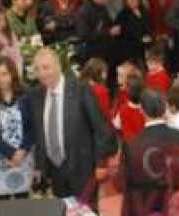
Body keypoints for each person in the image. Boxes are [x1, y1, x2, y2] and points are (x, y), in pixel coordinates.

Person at [30, 48, 117, 203]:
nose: (42, 73)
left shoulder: (81, 90)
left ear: (58, 66)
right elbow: (39, 135)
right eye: (37, 69)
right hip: (56, 173)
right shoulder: (37, 95)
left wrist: (101, 164)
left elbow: (101, 129)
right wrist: (39, 166)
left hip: (83, 170)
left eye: (46, 67)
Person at [118, 88, 179, 216]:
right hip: (174, 215)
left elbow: (122, 183)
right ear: (164, 108)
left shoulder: (131, 145)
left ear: (142, 111)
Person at [0, 57, 35, 200]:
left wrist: (22, 150)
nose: (1, 79)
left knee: (22, 199)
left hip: (23, 156)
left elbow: (32, 127)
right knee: (1, 202)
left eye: (5, 74)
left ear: (13, 75)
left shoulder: (26, 95)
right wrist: (9, 153)